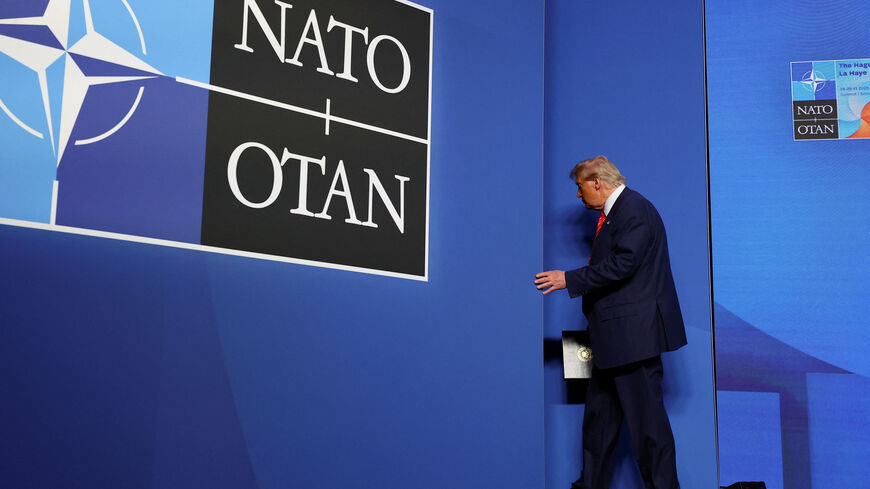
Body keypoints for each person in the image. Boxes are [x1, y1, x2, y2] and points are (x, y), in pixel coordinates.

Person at [535, 155, 687, 489]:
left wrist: (568, 279)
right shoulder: (617, 213)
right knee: (598, 428)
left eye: (579, 187)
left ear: (597, 183)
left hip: (632, 340)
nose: (578, 195)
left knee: (649, 430)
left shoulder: (633, 209)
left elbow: (625, 263)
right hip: (610, 341)